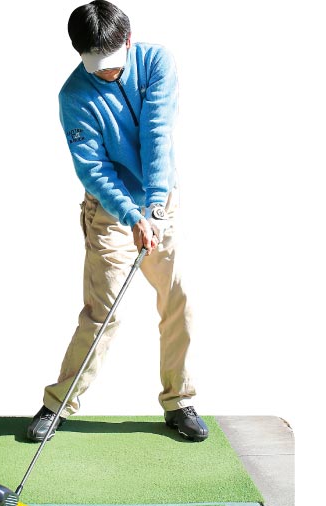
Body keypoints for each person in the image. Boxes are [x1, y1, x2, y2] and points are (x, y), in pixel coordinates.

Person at [27, 0, 209, 442]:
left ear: (128, 40)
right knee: (102, 313)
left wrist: (154, 210)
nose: (107, 73)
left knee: (178, 299)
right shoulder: (74, 96)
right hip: (110, 212)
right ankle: (58, 405)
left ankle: (179, 401)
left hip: (160, 201)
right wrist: (130, 215)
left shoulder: (155, 62)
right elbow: (93, 168)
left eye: (112, 62)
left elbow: (157, 133)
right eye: (96, 65)